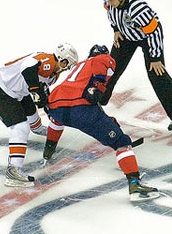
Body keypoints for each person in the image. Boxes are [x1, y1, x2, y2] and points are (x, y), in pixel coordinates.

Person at [43, 44, 160, 202]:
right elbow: (103, 63)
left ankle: (47, 153)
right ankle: (135, 185)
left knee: (57, 119)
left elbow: (63, 113)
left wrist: (104, 118)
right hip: (81, 108)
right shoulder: (102, 59)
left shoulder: (79, 66)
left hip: (55, 105)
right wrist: (97, 85)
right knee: (121, 142)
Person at [100, 0, 172, 134]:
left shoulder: (138, 8)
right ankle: (100, 99)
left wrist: (155, 57)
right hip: (127, 36)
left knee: (157, 75)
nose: (108, 2)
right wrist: (116, 30)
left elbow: (155, 31)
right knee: (110, 67)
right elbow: (110, 15)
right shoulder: (109, 2)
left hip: (148, 38)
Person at [0, 42, 79, 187]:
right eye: (68, 64)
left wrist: (50, 109)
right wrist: (36, 90)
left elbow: (41, 91)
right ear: (63, 59)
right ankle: (13, 170)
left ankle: (37, 128)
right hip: (0, 89)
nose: (67, 68)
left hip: (16, 91)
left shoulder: (53, 75)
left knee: (32, 115)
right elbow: (28, 67)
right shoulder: (48, 61)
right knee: (21, 127)